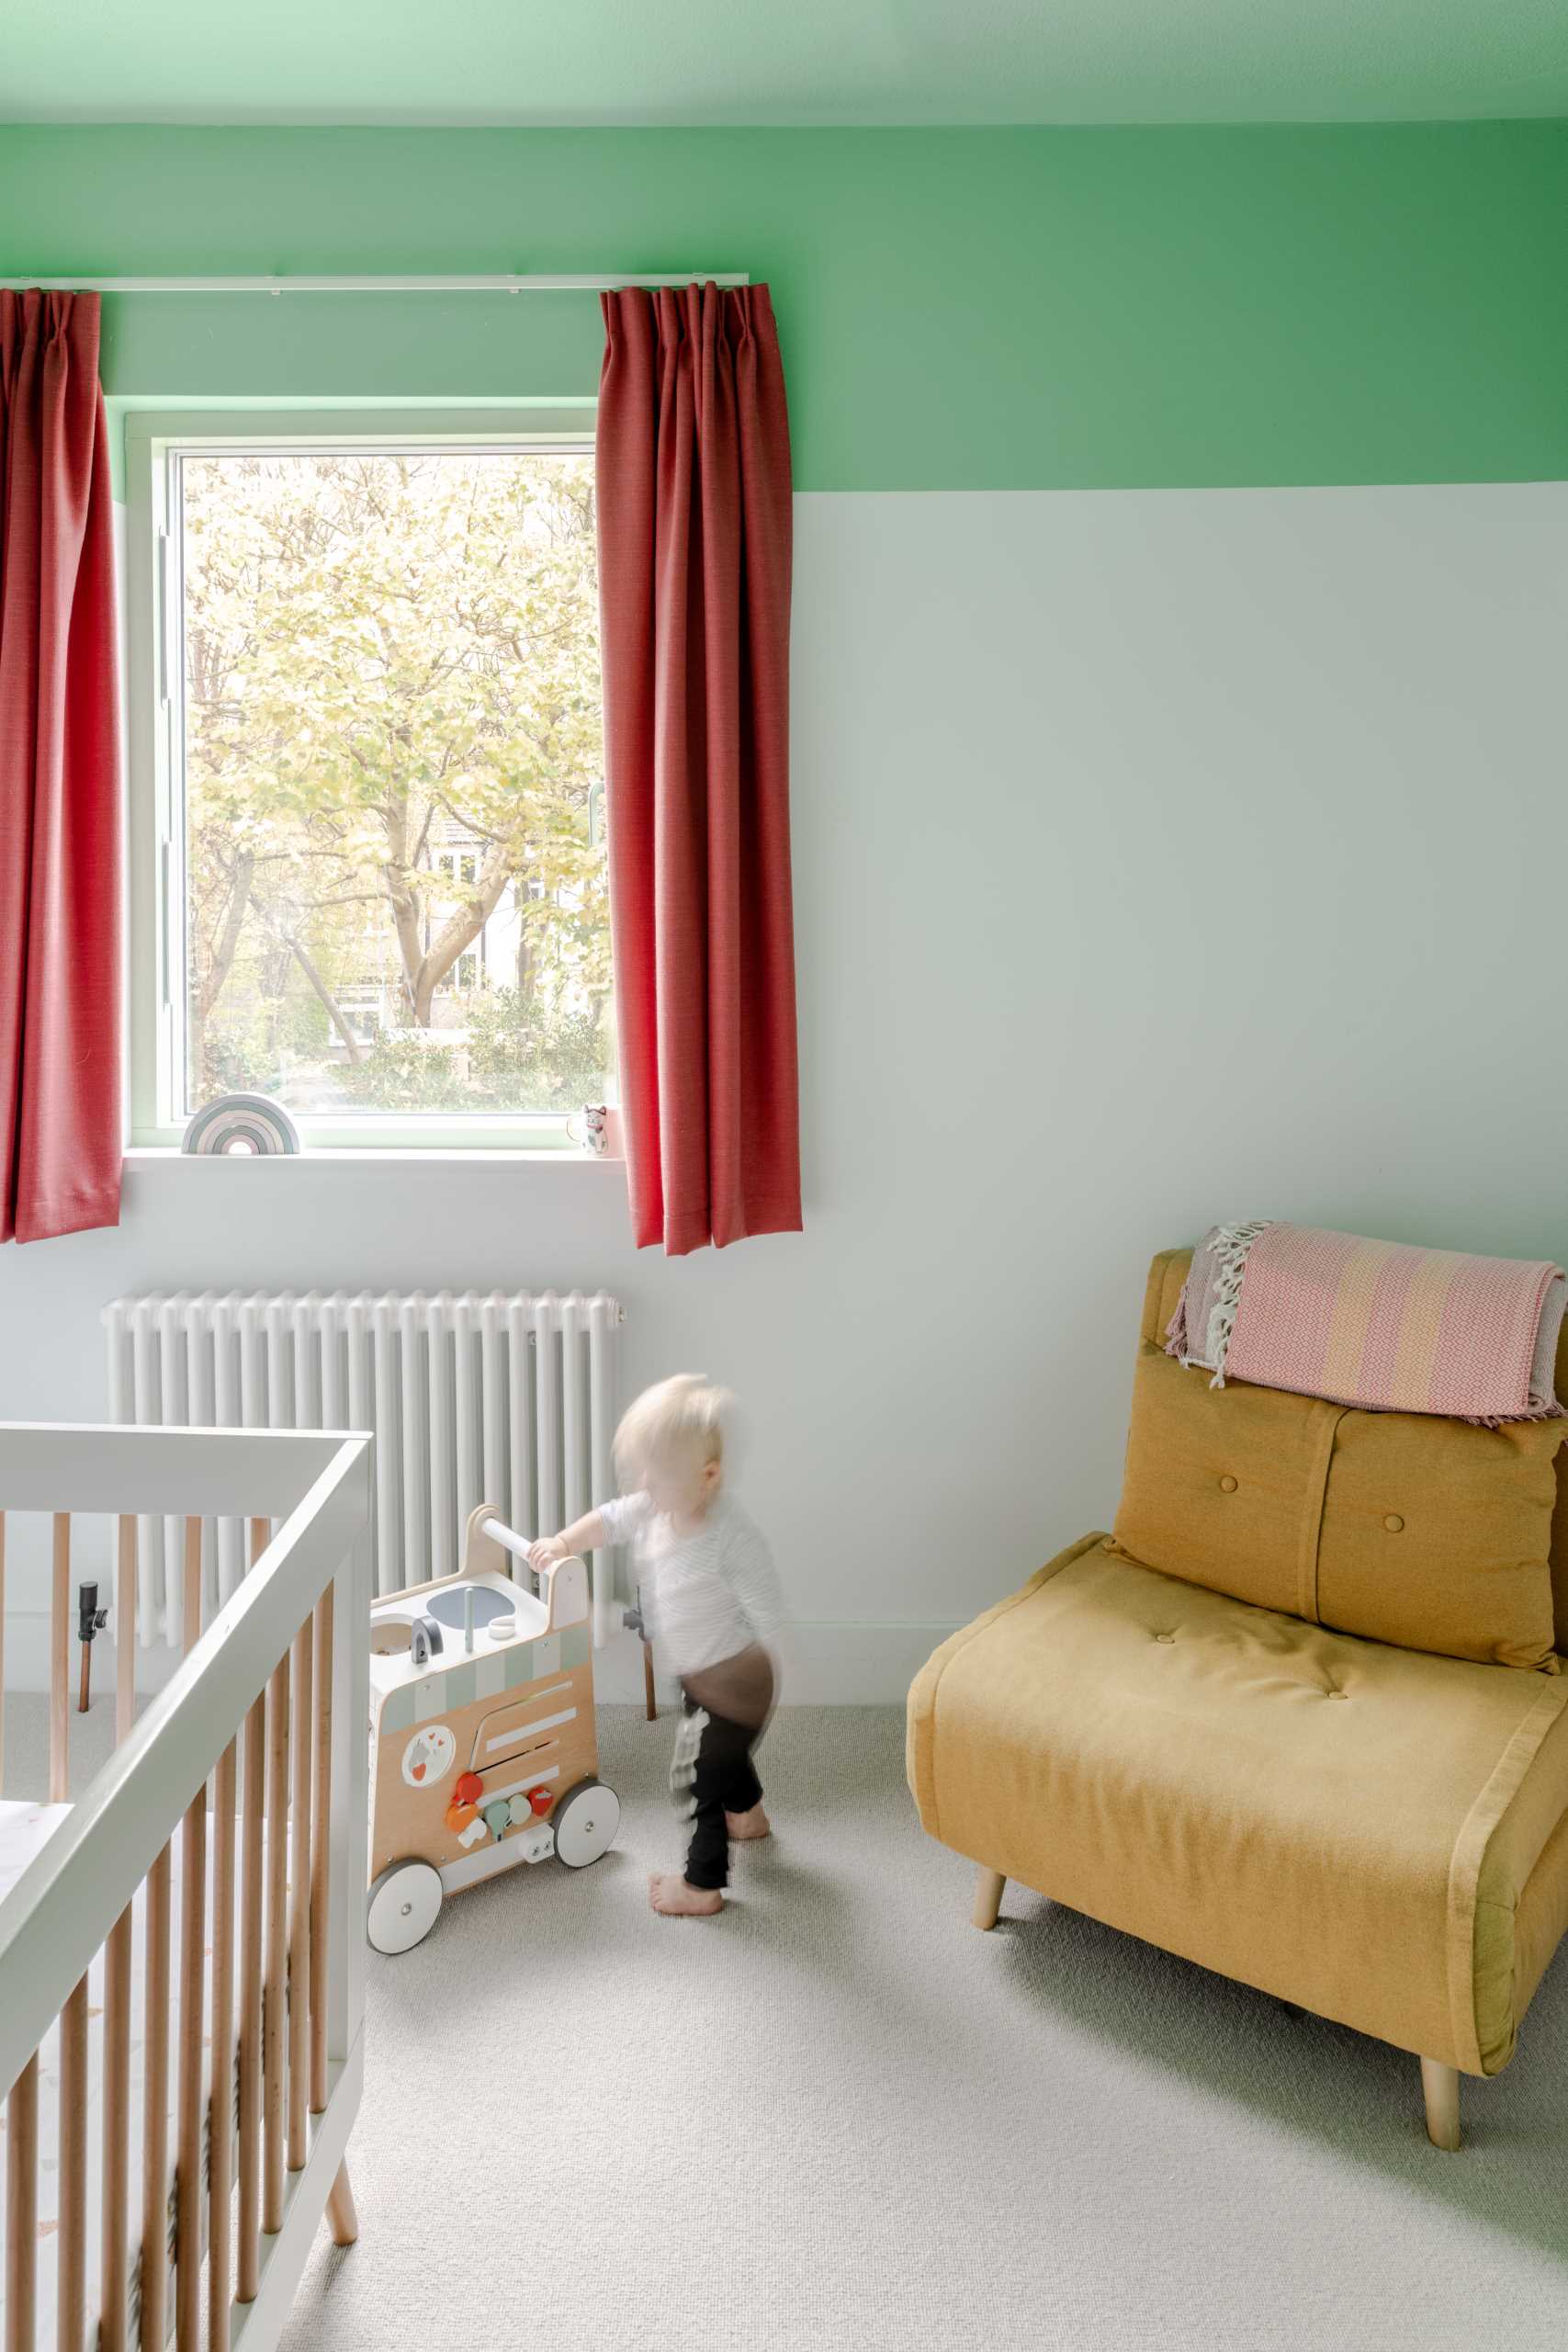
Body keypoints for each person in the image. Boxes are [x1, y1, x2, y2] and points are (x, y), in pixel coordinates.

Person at [529, 1374, 784, 1916]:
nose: (644, 1484)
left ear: (707, 1476)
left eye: (657, 1474)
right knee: (723, 1759)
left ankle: (702, 1886)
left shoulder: (729, 1536)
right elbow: (609, 1519)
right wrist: (564, 1543)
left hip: (737, 1682)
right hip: (699, 1675)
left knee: (695, 1778)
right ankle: (751, 1816)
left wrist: (782, 1653)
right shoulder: (656, 1505)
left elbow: (765, 1601)